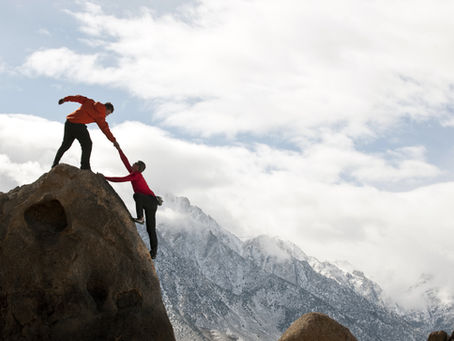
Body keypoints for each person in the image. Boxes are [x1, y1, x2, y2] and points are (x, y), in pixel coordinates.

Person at [104, 146, 163, 259]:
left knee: (137, 196)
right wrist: (119, 149)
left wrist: (105, 177)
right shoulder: (134, 173)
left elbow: (121, 179)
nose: (132, 163)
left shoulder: (136, 175)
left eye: (135, 163)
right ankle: (154, 252)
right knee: (150, 229)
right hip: (152, 202)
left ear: (138, 168)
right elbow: (125, 161)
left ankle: (140, 217)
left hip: (150, 201)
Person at [52, 95, 119, 170]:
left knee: (65, 145)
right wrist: (114, 141)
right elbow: (105, 129)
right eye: (107, 113)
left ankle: (54, 164)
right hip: (78, 126)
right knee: (87, 144)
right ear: (107, 109)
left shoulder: (89, 102)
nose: (106, 115)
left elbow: (78, 98)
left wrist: (65, 99)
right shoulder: (100, 116)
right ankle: (85, 167)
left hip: (69, 122)